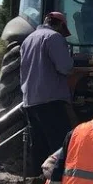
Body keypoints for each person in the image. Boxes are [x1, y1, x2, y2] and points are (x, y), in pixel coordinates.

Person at [20, 11, 75, 168]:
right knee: (60, 146)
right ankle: (59, 182)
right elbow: (65, 67)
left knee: (39, 146)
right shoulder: (54, 37)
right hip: (51, 101)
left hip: (30, 102)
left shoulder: (27, 40)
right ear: (58, 25)